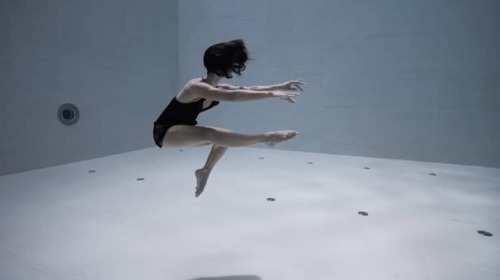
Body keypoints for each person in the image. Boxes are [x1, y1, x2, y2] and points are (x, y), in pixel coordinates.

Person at [153, 39, 304, 197]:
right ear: (223, 65)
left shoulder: (217, 87)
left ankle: (205, 171)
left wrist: (280, 86)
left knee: (224, 137)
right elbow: (232, 97)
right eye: (233, 64)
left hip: (182, 130)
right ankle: (268, 138)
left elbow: (248, 89)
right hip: (165, 132)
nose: (235, 68)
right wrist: (271, 94)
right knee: (213, 133)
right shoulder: (195, 86)